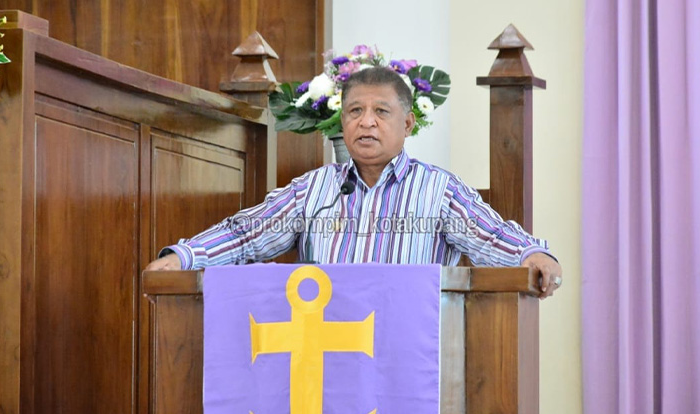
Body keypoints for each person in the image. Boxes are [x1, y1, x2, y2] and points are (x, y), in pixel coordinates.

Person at [146, 67, 563, 298]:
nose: (366, 122)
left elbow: (492, 237)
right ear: (341, 121)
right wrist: (184, 257)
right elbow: (247, 235)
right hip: (324, 348)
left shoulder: (440, 191)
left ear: (407, 124)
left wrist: (532, 255)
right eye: (354, 111)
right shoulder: (314, 190)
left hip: (409, 355)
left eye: (381, 111)